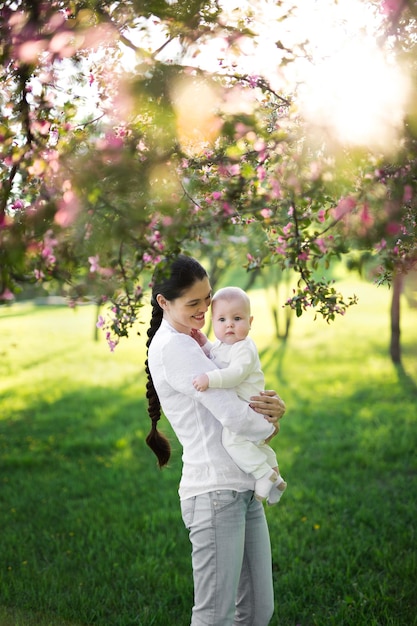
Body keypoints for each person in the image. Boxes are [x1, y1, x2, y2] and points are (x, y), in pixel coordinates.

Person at [145, 254, 286, 626]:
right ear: (164, 302)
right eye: (194, 303)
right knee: (214, 617)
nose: (205, 309)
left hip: (240, 483)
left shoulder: (195, 341)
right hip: (213, 492)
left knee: (258, 610)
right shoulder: (172, 348)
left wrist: (272, 407)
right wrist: (270, 427)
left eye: (207, 298)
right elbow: (231, 412)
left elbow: (241, 388)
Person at [192, 286, 287, 506]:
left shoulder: (244, 347)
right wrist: (202, 341)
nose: (230, 325)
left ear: (250, 321)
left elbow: (234, 374)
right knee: (259, 446)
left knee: (232, 440)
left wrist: (209, 378)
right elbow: (214, 354)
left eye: (237, 318)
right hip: (251, 410)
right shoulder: (224, 346)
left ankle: (263, 474)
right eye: (222, 320)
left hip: (252, 410)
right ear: (213, 322)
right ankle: (277, 480)